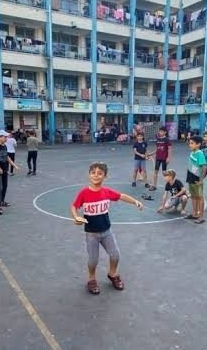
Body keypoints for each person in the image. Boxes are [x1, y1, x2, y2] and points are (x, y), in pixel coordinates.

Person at [71, 162, 143, 295]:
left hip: (106, 231)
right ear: (89, 175)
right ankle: (91, 279)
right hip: (91, 234)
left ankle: (113, 273)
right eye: (93, 173)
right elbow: (74, 206)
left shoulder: (106, 192)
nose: (96, 175)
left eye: (100, 173)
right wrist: (76, 217)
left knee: (115, 255)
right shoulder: (84, 193)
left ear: (105, 176)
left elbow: (121, 196)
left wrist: (135, 201)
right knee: (93, 260)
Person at [0, 130, 19, 215]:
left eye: (7, 137)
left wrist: (14, 165)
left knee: (5, 186)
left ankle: (2, 201)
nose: (6, 138)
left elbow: (7, 157)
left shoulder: (4, 146)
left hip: (5, 169)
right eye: (5, 137)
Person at [186, 136, 207, 223]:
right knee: (193, 196)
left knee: (200, 197)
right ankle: (194, 214)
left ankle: (201, 217)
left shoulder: (200, 153)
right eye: (189, 143)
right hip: (190, 176)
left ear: (198, 144)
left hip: (197, 178)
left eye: (192, 143)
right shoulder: (192, 152)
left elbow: (204, 167)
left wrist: (201, 180)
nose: (190, 145)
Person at [149, 126, 172, 191]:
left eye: (162, 131)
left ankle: (169, 185)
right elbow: (157, 149)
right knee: (155, 172)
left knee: (164, 173)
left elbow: (170, 149)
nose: (160, 132)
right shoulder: (158, 139)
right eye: (160, 131)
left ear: (165, 132)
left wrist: (168, 158)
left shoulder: (167, 140)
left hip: (164, 158)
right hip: (158, 158)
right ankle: (154, 185)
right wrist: (150, 154)